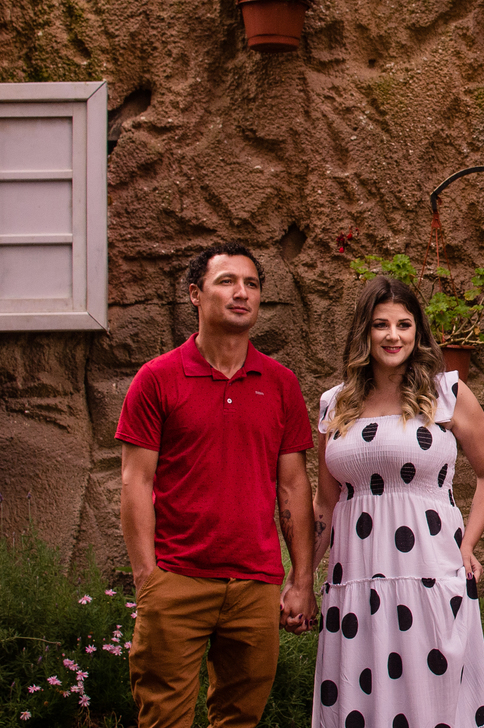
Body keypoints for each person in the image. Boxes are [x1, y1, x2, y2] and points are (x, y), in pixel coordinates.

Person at [117, 241, 318, 728]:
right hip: (177, 579)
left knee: (239, 721)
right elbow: (135, 481)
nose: (241, 293)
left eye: (252, 284)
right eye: (227, 281)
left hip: (255, 585)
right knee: (163, 720)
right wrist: (148, 580)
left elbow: (293, 487)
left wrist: (301, 581)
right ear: (195, 294)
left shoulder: (280, 383)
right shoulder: (157, 378)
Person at [306, 277, 484, 728]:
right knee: (359, 699)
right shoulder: (334, 404)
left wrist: (467, 545)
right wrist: (300, 579)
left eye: (404, 324)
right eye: (381, 324)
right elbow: (326, 501)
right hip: (355, 578)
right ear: (364, 331)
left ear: (418, 332)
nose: (392, 335)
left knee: (432, 700)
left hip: (429, 572)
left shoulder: (447, 393)